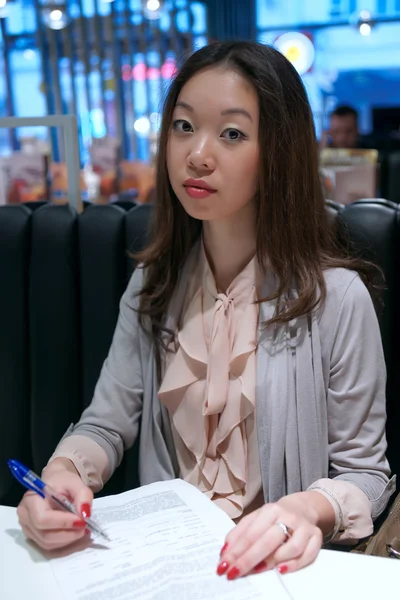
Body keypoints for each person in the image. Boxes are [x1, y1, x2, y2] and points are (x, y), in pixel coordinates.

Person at [17, 41, 394, 580]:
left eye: (233, 133)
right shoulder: (154, 284)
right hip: (165, 569)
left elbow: (366, 476)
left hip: (281, 575)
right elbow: (105, 425)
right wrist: (61, 475)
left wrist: (304, 510)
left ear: (279, 152)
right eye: (184, 126)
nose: (197, 153)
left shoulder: (337, 299)